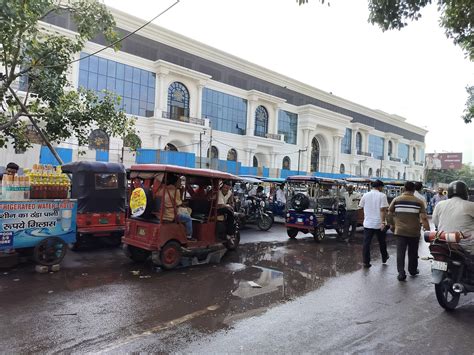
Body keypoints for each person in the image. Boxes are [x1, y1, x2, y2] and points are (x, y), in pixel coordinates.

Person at [388, 181, 430, 281]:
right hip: (414, 231)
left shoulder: (396, 199)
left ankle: (401, 273)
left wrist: (392, 225)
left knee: (400, 253)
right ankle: (412, 270)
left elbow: (389, 213)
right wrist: (427, 229)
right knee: (413, 252)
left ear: (404, 188)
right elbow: (423, 218)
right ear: (414, 189)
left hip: (400, 231)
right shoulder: (419, 201)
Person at [432, 180, 474, 254]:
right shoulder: (471, 205)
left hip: (443, 242)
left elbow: (435, 221)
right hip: (466, 247)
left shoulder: (439, 204)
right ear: (465, 193)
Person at [358, 179, 390, 268]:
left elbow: (360, 206)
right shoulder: (382, 196)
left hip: (368, 223)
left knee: (366, 243)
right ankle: (384, 257)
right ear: (380, 187)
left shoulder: (365, 195)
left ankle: (366, 262)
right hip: (379, 223)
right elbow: (383, 210)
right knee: (382, 241)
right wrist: (383, 222)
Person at [163, 174, 194, 241]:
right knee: (188, 218)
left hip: (163, 213)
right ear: (175, 182)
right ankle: (189, 236)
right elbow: (179, 203)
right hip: (171, 214)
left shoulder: (164, 188)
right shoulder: (175, 191)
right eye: (179, 182)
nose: (180, 183)